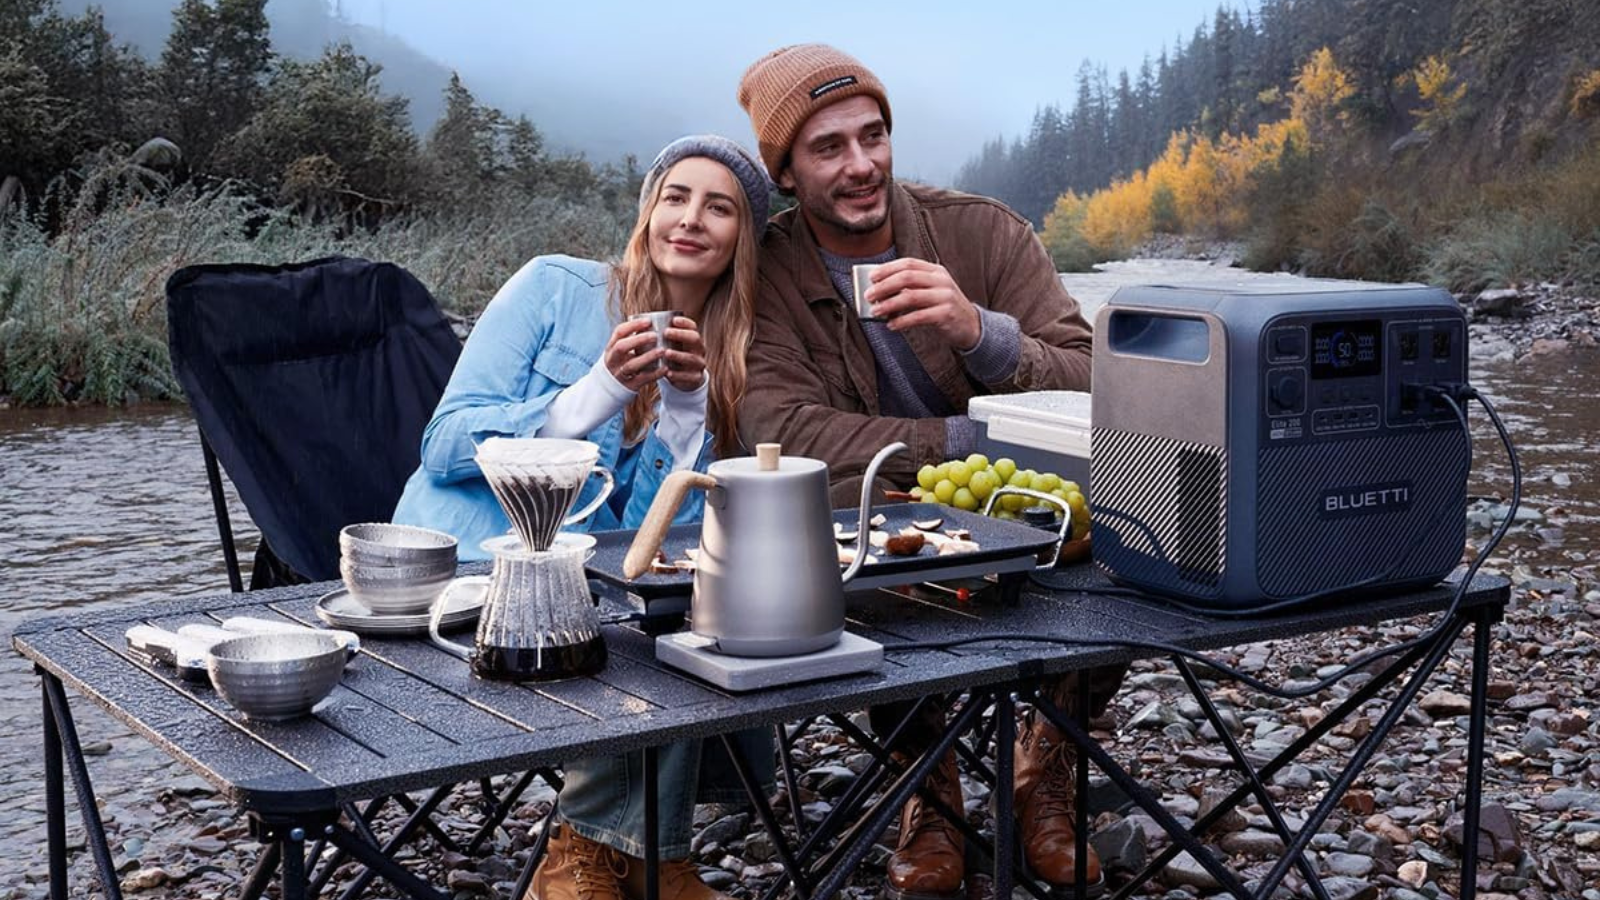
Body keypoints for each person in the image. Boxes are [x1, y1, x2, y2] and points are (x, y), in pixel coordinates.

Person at [735, 44, 1125, 899]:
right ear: (788, 172)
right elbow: (775, 423)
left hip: (1029, 509)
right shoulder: (770, 271)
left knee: (1133, 510)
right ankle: (930, 787)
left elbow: (1100, 377)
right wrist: (963, 445)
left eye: (872, 135)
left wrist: (980, 333)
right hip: (893, 511)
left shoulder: (981, 231)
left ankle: (1045, 769)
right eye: (828, 147)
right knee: (831, 499)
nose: (861, 164)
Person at [393, 134, 771, 900]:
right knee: (658, 627)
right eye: (676, 197)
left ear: (745, 242)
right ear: (648, 212)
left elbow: (634, 545)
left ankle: (633, 852)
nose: (691, 219)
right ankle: (593, 854)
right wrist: (590, 395)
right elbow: (443, 444)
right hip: (474, 573)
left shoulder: (730, 360)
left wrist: (685, 413)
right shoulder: (553, 288)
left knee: (700, 604)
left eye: (719, 207)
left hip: (595, 590)